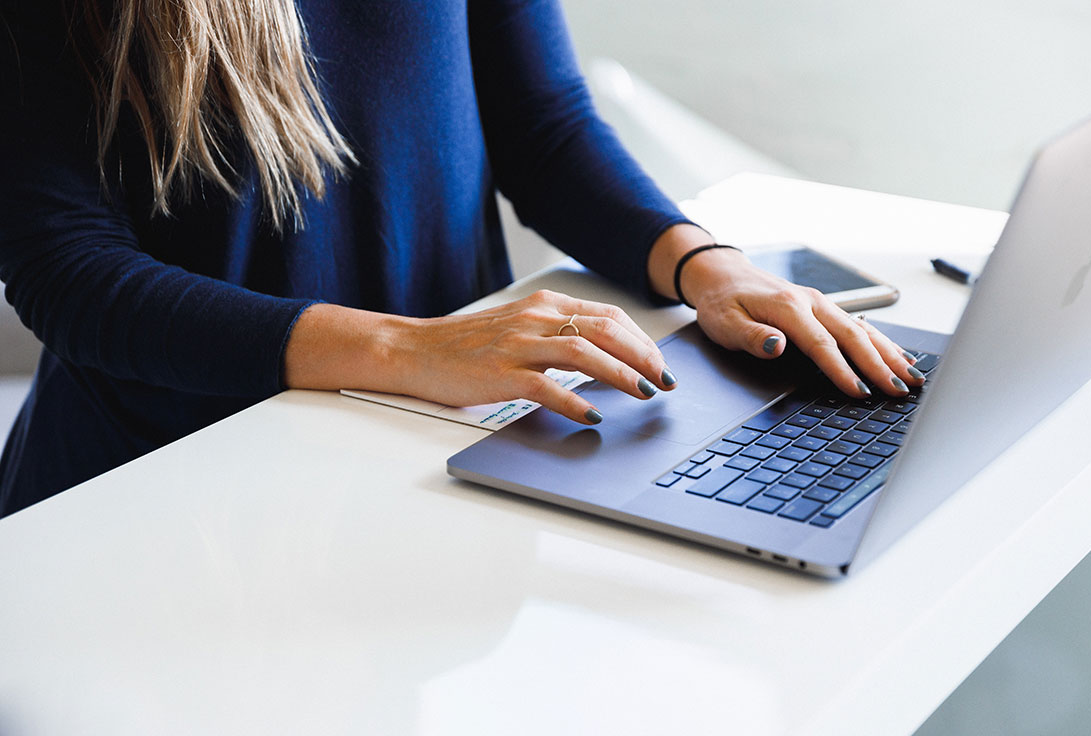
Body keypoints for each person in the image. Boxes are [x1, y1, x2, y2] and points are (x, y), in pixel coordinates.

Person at [0, 0, 923, 519]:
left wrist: (706, 266)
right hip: (173, 487)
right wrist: (410, 350)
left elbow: (541, 123)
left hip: (436, 445)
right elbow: (64, 268)